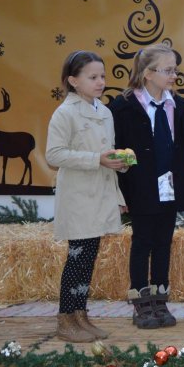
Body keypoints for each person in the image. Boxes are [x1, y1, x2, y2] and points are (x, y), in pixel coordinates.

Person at [110, 43, 184, 329]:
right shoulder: (123, 107)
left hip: (169, 186)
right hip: (141, 186)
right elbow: (117, 149)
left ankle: (160, 300)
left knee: (164, 242)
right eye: (168, 70)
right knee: (142, 241)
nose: (174, 75)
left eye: (175, 69)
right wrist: (121, 189)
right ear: (148, 73)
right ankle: (141, 302)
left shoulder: (180, 107)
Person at [46, 50, 126, 342]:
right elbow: (54, 155)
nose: (100, 82)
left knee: (88, 258)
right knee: (77, 257)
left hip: (100, 194)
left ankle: (80, 315)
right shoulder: (65, 113)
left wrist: (117, 179)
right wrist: (96, 159)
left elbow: (107, 152)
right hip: (79, 197)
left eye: (102, 76)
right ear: (73, 81)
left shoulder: (104, 112)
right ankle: (65, 320)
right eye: (92, 77)